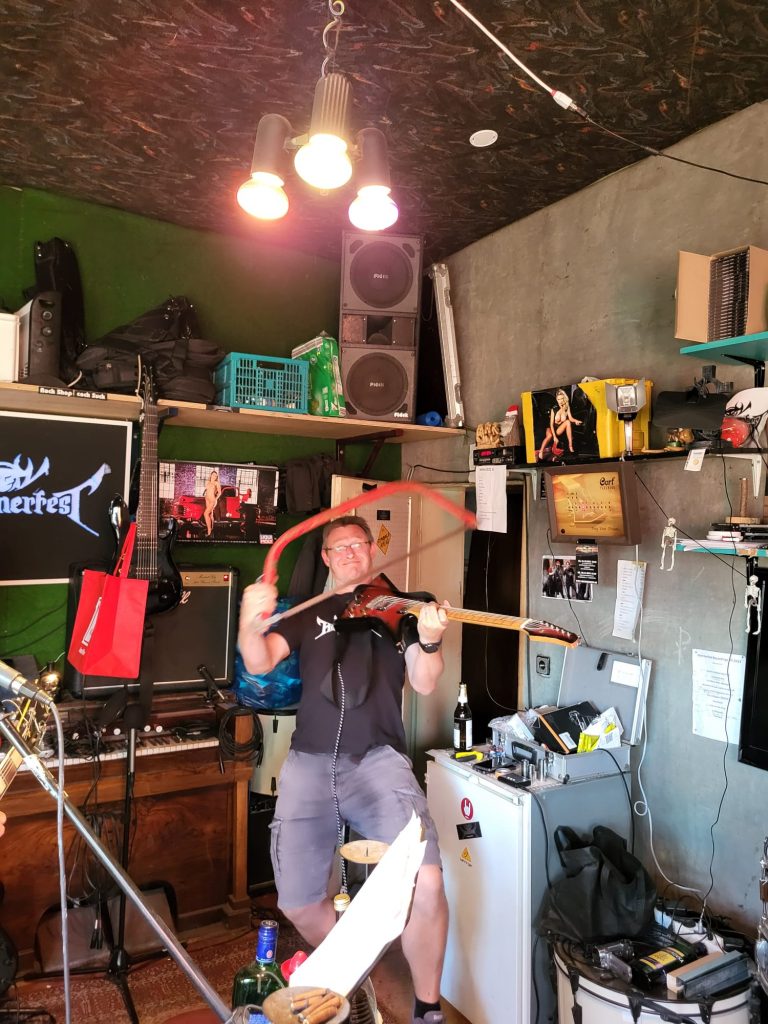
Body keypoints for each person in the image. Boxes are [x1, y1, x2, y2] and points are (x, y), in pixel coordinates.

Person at [238, 515, 449, 1024]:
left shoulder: (405, 607)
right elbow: (259, 660)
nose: (351, 552)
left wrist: (430, 640)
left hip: (378, 763)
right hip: (308, 763)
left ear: (373, 549)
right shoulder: (308, 612)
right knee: (297, 902)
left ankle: (427, 1008)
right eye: (340, 547)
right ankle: (353, 981)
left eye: (359, 543)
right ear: (327, 558)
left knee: (426, 881)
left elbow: (424, 681)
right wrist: (249, 620)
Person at [537, 388, 582, 459]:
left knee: (568, 422)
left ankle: (570, 446)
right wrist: (554, 437)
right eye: (558, 399)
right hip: (551, 427)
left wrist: (576, 421)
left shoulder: (567, 407)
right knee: (549, 436)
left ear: (564, 398)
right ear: (556, 400)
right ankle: (541, 451)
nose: (560, 401)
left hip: (559, 429)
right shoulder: (554, 409)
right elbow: (551, 424)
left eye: (561, 399)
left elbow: (570, 418)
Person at [203, 469, 221, 537]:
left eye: (216, 476)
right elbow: (207, 490)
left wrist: (216, 499)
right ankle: (212, 529)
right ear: (211, 475)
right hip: (207, 499)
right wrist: (205, 496)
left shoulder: (217, 483)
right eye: (213, 475)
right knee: (210, 515)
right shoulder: (207, 482)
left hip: (212, 500)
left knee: (206, 514)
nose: (214, 476)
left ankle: (209, 531)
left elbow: (219, 492)